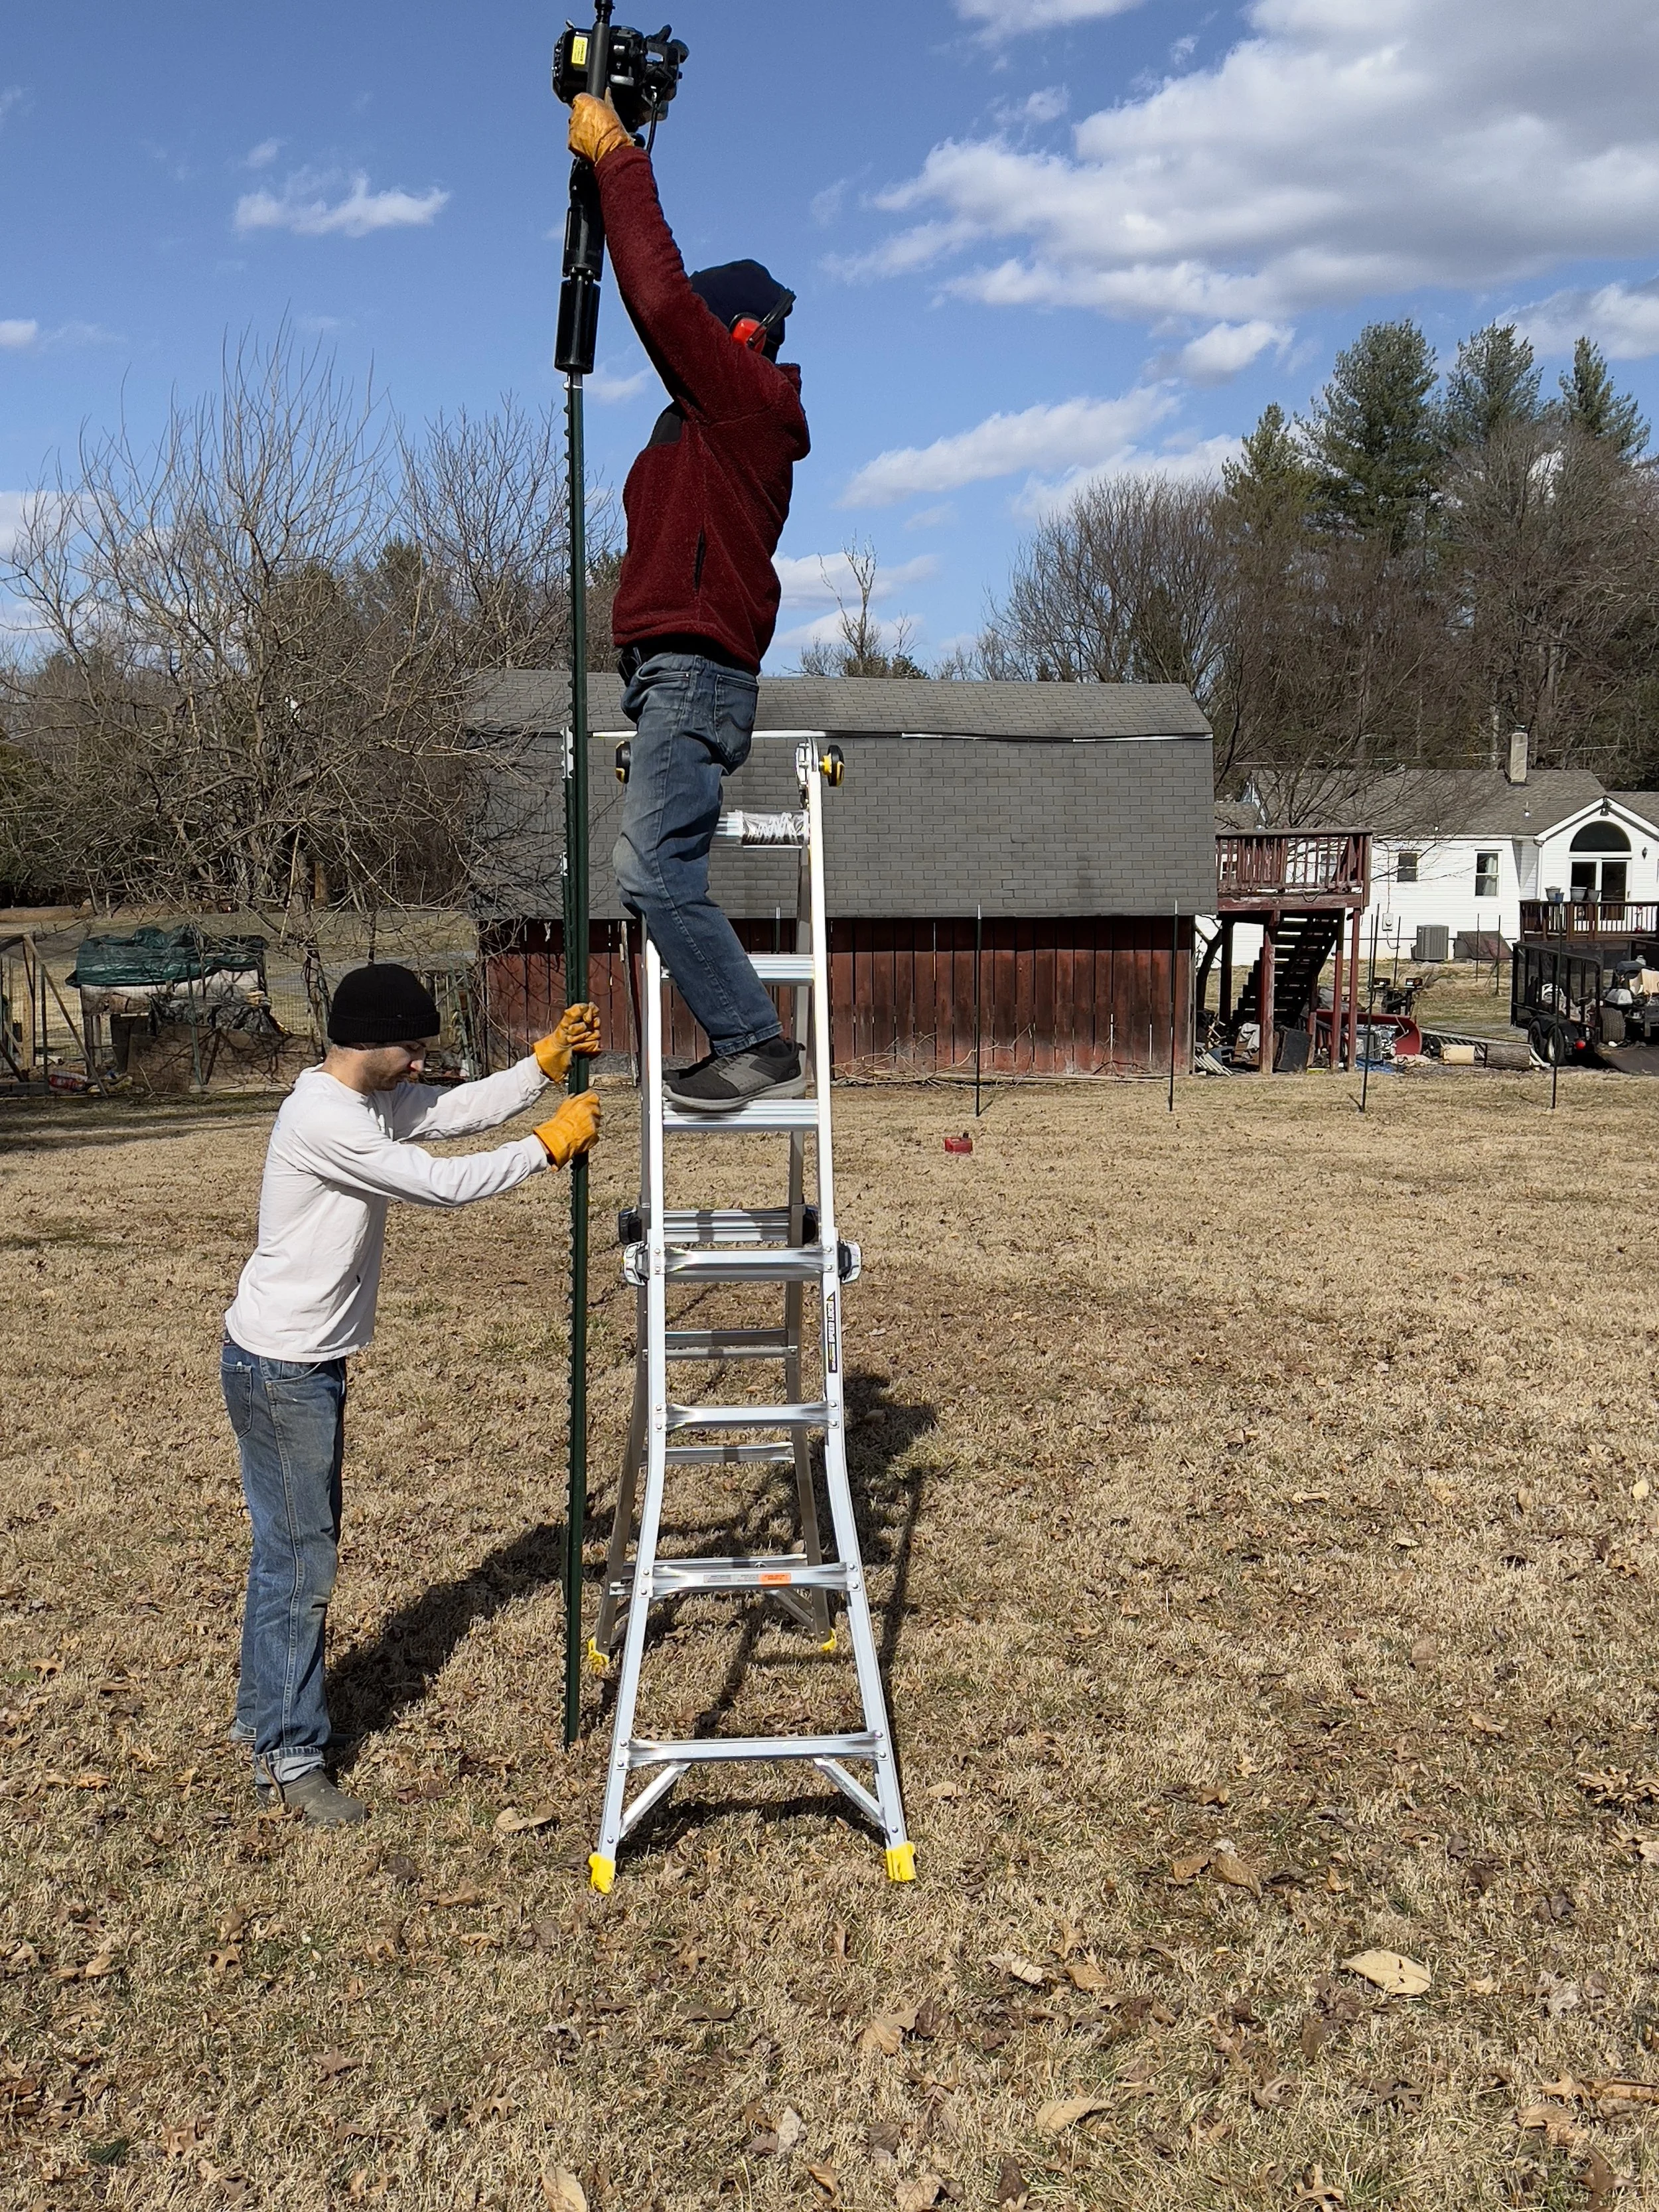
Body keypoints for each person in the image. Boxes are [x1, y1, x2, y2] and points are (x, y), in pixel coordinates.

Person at [220, 963, 602, 1827]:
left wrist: (540, 1067)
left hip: (293, 1363)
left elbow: (449, 1116)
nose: (422, 1063)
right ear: (371, 1043)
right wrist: (547, 1146)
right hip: (282, 1369)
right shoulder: (325, 1122)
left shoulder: (356, 1101)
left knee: (288, 1554)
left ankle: (263, 1720)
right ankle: (289, 1755)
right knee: (302, 1563)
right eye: (414, 1047)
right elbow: (437, 1184)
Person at [569, 90, 810, 1114]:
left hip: (698, 674)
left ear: (738, 335)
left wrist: (620, 159)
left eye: (704, 339)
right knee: (653, 868)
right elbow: (661, 309)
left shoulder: (749, 403)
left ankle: (755, 1041)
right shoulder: (698, 429)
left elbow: (662, 302)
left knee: (651, 873)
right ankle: (746, 1036)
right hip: (670, 677)